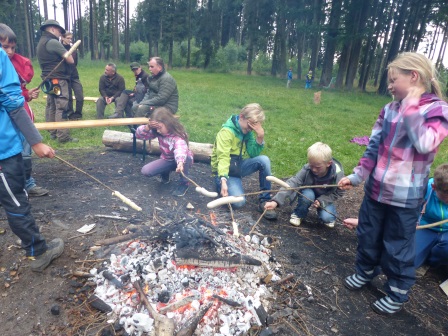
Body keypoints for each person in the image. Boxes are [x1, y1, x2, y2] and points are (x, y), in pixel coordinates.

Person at [338, 52, 448, 316]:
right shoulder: (389, 109)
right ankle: (365, 271)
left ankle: (397, 291)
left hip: (406, 198)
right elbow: (373, 145)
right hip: (376, 189)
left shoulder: (438, 110)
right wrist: (358, 175)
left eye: (393, 79)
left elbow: (425, 143)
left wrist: (410, 107)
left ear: (413, 76)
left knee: (397, 245)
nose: (389, 85)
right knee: (368, 234)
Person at [0, 33, 64, 272]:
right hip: (3, 151)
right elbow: (11, 102)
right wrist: (36, 141)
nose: (7, 52)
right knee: (16, 202)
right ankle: (38, 252)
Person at [343, 163, 448, 272]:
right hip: (423, 228)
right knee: (407, 262)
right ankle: (428, 256)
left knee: (445, 250)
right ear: (434, 187)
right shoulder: (421, 190)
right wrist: (362, 222)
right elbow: (395, 216)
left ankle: (436, 260)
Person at [0, 24, 49, 197]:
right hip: (5, 123)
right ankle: (11, 190)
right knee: (9, 157)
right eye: (5, 47)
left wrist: (27, 94)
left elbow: (14, 92)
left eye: (12, 47)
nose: (10, 51)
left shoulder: (15, 64)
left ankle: (27, 184)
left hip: (22, 117)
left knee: (25, 152)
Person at [210, 103, 277, 220]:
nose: (250, 130)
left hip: (237, 166)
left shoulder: (247, 132)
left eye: (253, 128)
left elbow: (253, 153)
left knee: (264, 160)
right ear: (241, 117)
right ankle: (221, 184)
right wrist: (223, 179)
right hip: (225, 172)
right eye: (249, 126)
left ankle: (265, 200)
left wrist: (260, 137)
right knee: (239, 202)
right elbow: (223, 158)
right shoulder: (226, 133)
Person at [264, 142, 345, 228]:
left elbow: (338, 193)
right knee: (308, 195)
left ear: (328, 163)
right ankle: (299, 213)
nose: (313, 169)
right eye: (311, 165)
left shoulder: (338, 175)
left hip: (326, 197)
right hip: (308, 193)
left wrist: (322, 201)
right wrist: (275, 201)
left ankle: (326, 213)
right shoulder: (307, 169)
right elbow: (293, 182)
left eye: (317, 167)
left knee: (328, 218)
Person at [135, 107, 193, 197]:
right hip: (167, 159)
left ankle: (184, 184)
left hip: (181, 159)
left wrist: (180, 162)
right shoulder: (158, 132)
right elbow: (139, 135)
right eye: (156, 128)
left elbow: (180, 149)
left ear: (167, 123)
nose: (158, 130)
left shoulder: (178, 135)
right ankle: (165, 172)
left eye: (160, 127)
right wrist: (148, 127)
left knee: (187, 158)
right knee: (146, 171)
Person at [36, 19, 77, 143]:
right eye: (59, 31)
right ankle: (63, 136)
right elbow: (70, 60)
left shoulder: (41, 43)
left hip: (48, 79)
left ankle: (52, 132)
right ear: (52, 28)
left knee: (52, 105)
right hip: (58, 79)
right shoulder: (53, 42)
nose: (60, 33)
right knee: (62, 106)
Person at [61, 31, 84, 120]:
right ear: (62, 38)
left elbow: (75, 63)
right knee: (68, 96)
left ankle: (78, 113)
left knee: (79, 95)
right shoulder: (60, 49)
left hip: (74, 75)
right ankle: (70, 113)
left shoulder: (74, 50)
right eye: (68, 38)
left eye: (71, 38)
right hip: (64, 76)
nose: (70, 40)